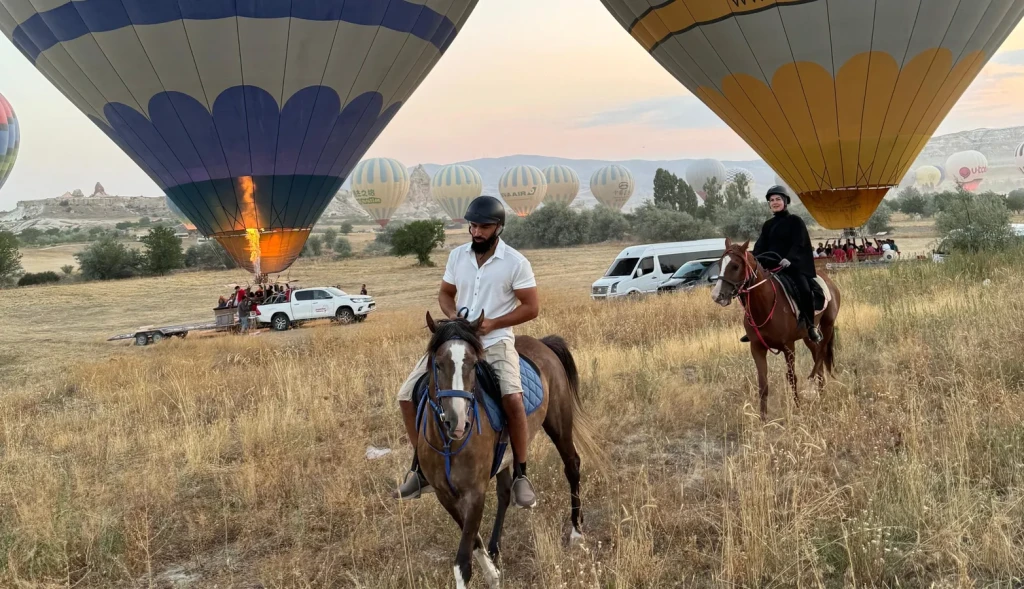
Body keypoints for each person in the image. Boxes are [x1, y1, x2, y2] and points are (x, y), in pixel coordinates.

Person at [392, 195, 540, 508]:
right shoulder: (458, 256)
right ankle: (419, 467)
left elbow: (532, 307)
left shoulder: (516, 262)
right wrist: (453, 316)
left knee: (513, 396)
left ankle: (521, 474)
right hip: (456, 338)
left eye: (484, 227)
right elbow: (446, 294)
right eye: (472, 226)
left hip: (495, 340)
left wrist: (495, 322)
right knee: (406, 394)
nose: (477, 232)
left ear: (498, 227)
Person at [740, 186, 823, 344]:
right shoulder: (768, 225)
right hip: (770, 267)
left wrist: (789, 258)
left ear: (785, 201)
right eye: (771, 200)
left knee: (805, 289)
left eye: (778, 199)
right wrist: (751, 258)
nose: (774, 202)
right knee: (747, 290)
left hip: (792, 266)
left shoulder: (795, 221)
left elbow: (799, 242)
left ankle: (811, 326)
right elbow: (760, 246)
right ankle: (754, 327)